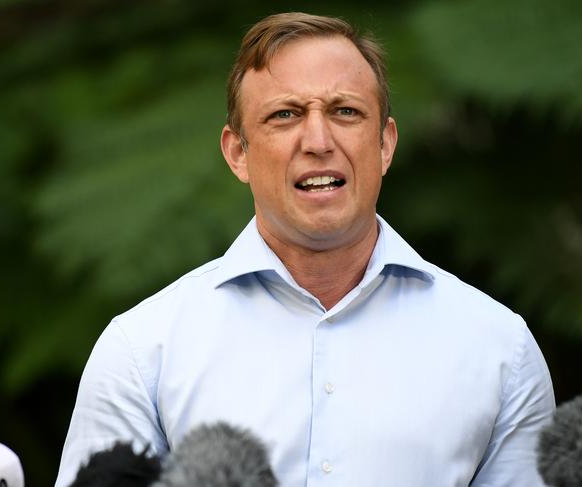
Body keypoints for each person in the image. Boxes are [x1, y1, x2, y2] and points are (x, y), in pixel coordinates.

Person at [55, 12, 555, 487]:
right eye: (285, 114)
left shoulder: (499, 350)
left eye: (345, 111)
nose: (318, 140)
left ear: (384, 144)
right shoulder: (142, 352)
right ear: (238, 153)